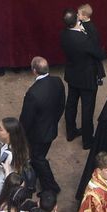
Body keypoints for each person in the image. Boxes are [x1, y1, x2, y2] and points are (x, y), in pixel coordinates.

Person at [62, 4, 105, 150]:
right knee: (87, 109)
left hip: (72, 75)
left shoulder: (64, 34)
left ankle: (70, 132)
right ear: (76, 21)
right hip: (87, 78)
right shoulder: (83, 39)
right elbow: (99, 53)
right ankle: (87, 141)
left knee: (71, 103)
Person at [20, 56, 65, 194]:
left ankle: (51, 186)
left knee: (38, 158)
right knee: (38, 157)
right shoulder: (57, 81)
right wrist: (54, 121)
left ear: (34, 71)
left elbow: (26, 119)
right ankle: (33, 179)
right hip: (51, 128)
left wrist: (20, 134)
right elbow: (61, 105)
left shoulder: (33, 93)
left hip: (38, 134)